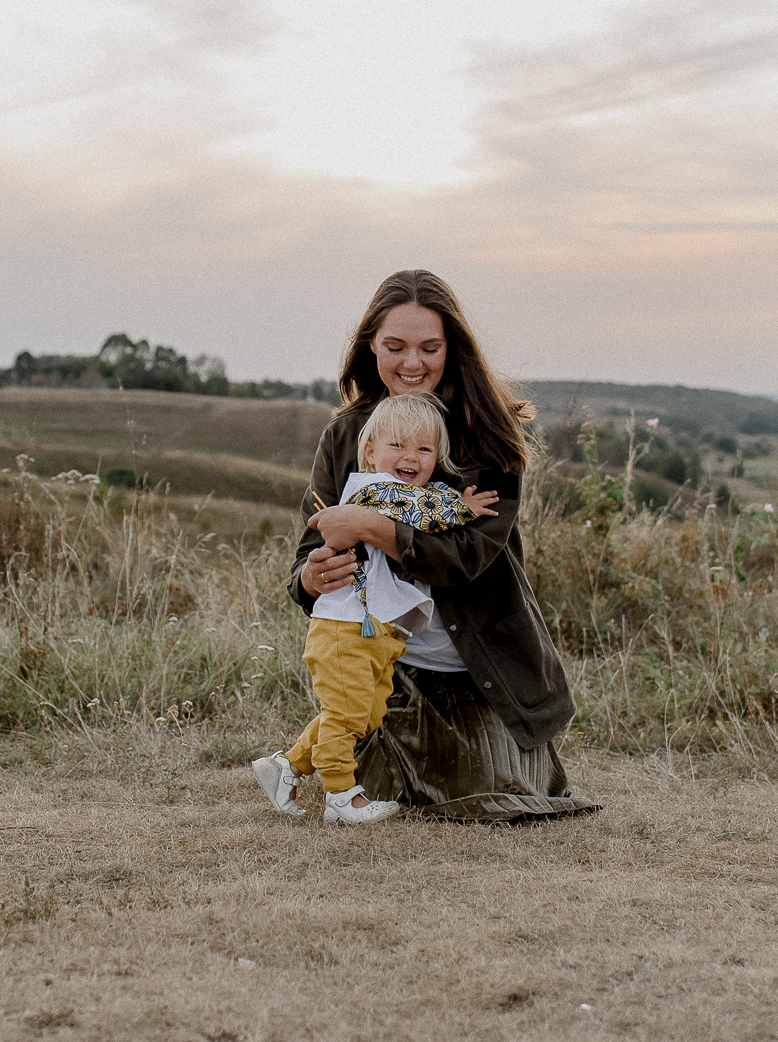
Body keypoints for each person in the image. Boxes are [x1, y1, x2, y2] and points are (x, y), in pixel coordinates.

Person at [280, 269, 598, 822]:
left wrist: (372, 526)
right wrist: (311, 577)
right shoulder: (346, 435)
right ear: (370, 347)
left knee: (483, 792)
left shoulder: (488, 435)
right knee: (370, 761)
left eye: (430, 348)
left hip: (471, 664)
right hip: (381, 656)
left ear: (453, 349)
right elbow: (308, 559)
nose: (413, 363)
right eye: (395, 347)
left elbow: (467, 559)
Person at [252, 392, 500, 824]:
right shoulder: (371, 490)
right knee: (348, 714)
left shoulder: (405, 492)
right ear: (369, 453)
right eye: (397, 445)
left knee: (363, 713)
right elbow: (423, 511)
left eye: (424, 449)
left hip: (374, 631)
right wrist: (463, 507)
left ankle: (287, 765)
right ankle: (340, 796)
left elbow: (424, 497)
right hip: (345, 627)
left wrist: (449, 498)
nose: (411, 457)